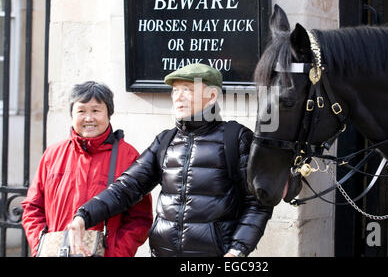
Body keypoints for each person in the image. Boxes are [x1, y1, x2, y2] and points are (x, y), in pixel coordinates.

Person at [68, 64, 273, 257]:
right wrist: (84, 215)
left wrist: (238, 249)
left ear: (211, 96)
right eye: (175, 91)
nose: (178, 97)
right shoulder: (165, 140)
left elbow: (257, 202)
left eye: (187, 90)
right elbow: (127, 187)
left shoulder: (235, 137)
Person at [21, 81, 153, 257]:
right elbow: (32, 208)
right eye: (81, 111)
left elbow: (139, 218)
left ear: (109, 113)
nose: (88, 118)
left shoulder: (128, 156)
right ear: (72, 114)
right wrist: (41, 246)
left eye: (96, 110)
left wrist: (114, 253)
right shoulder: (53, 154)